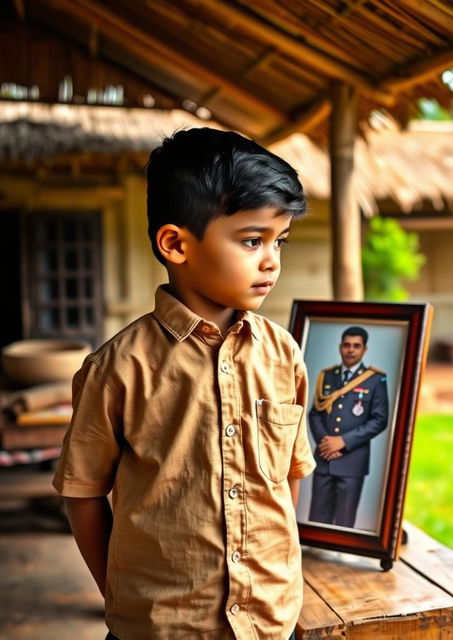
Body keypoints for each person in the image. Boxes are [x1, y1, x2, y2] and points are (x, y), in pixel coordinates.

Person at [52, 128, 316, 640]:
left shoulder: (283, 353)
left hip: (269, 623)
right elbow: (82, 492)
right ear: (176, 243)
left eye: (279, 241)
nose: (271, 260)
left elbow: (290, 475)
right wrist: (122, 594)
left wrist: (278, 574)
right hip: (159, 627)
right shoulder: (117, 368)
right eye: (251, 240)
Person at [307, 326, 389, 528]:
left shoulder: (375, 380)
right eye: (346, 345)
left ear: (364, 350)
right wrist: (325, 443)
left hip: (352, 462)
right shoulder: (326, 376)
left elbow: (380, 420)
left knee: (344, 522)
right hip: (324, 459)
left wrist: (343, 442)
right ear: (340, 347)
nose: (351, 350)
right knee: (318, 518)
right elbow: (315, 413)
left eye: (356, 346)